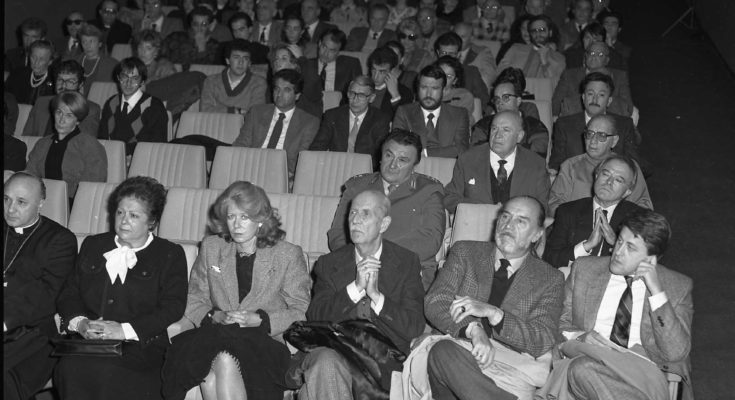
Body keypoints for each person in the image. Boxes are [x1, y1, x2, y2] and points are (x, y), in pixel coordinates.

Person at [163, 181, 311, 400]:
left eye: (245, 217)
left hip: (264, 340)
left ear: (261, 219)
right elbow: (194, 297)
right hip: (216, 333)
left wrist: (260, 319)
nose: (237, 225)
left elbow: (300, 310)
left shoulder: (287, 254)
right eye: (231, 217)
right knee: (219, 358)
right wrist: (214, 316)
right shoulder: (212, 247)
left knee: (221, 362)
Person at [415, 196, 564, 400]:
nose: (508, 225)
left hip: (508, 372)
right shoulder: (466, 252)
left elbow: (542, 338)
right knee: (443, 351)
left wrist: (495, 314)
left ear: (537, 234)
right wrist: (473, 329)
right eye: (505, 217)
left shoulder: (549, 279)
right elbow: (436, 301)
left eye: (520, 221)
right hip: (457, 356)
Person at [54, 176, 188, 400]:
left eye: (134, 215)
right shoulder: (93, 244)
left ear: (152, 222)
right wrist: (81, 323)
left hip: (141, 346)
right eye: (120, 212)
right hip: (89, 343)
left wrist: (124, 330)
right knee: (69, 369)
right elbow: (69, 293)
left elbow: (173, 306)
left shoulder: (169, 254)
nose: (124, 220)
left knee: (109, 375)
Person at [540, 209, 693, 400]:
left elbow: (676, 352)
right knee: (582, 368)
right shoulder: (585, 269)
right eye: (620, 241)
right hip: (589, 359)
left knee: (580, 369)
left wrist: (657, 292)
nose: (618, 252)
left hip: (640, 372)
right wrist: (581, 337)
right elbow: (556, 322)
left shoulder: (676, 286)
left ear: (650, 259)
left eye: (631, 248)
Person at [295, 189, 425, 399]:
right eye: (353, 213)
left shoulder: (406, 262)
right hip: (337, 355)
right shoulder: (329, 263)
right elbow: (315, 316)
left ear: (383, 224)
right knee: (325, 364)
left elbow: (413, 327)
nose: (355, 220)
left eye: (365, 213)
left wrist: (377, 297)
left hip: (386, 362)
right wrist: (355, 288)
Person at [328, 129, 445, 288]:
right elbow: (338, 234)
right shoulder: (357, 187)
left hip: (406, 271)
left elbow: (430, 240)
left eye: (402, 160)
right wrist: (361, 260)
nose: (393, 165)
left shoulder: (428, 191)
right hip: (356, 267)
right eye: (389, 156)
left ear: (414, 166)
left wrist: (377, 256)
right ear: (380, 156)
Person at [3, 172, 77, 400]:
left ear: (41, 203)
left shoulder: (60, 239)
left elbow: (45, 294)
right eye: (6, 199)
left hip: (33, 332)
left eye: (21, 202)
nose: (10, 209)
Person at [544, 152, 646, 270]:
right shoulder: (568, 211)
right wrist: (585, 246)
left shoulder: (638, 218)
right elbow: (550, 258)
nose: (608, 182)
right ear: (596, 176)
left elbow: (645, 265)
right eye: (605, 174)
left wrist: (617, 243)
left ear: (627, 191)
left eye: (618, 180)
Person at [444, 111, 550, 213]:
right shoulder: (468, 159)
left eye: (506, 130)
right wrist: (482, 209)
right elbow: (450, 198)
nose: (497, 135)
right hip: (476, 222)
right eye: (494, 129)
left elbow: (542, 208)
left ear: (519, 136)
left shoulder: (536, 164)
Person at [549, 116, 652, 214]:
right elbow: (554, 204)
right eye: (589, 134)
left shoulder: (628, 167)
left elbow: (644, 206)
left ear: (614, 141)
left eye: (601, 136)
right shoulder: (570, 166)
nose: (593, 141)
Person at [233, 68, 320, 183]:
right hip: (251, 167)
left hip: (281, 173)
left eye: (286, 90)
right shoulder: (257, 112)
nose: (279, 94)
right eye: (276, 89)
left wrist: (280, 173)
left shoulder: (309, 122)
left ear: (297, 95)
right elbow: (241, 143)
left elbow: (301, 159)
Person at [549, 72, 639, 174]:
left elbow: (633, 163)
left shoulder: (624, 125)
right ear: (583, 97)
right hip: (574, 179)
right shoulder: (564, 125)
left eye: (601, 95)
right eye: (590, 94)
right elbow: (556, 163)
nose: (594, 99)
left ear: (609, 101)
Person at [26, 92, 107, 198]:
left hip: (75, 204)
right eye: (59, 112)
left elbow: (91, 189)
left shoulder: (91, 146)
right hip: (41, 201)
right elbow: (29, 178)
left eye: (69, 115)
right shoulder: (42, 143)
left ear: (78, 120)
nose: (61, 120)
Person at [393, 64, 469, 158]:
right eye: (424, 87)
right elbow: (398, 147)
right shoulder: (404, 112)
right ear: (417, 89)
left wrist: (426, 153)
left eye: (434, 88)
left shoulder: (459, 114)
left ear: (443, 90)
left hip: (447, 166)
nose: (428, 94)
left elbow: (461, 149)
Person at [310, 75, 392, 162]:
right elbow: (317, 148)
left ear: (371, 98)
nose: (355, 100)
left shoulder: (380, 120)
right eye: (352, 93)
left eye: (361, 95)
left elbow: (380, 157)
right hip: (336, 165)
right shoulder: (332, 116)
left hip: (365, 168)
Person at [98, 57, 168, 156]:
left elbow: (157, 146)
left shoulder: (154, 107)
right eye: (124, 77)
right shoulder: (111, 103)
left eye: (135, 78)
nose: (128, 83)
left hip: (141, 160)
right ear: (118, 78)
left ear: (142, 82)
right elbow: (102, 139)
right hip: (110, 158)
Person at [473, 69, 549, 156]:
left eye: (506, 97)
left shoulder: (536, 128)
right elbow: (475, 155)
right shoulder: (483, 126)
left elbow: (536, 158)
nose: (500, 103)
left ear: (518, 101)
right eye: (497, 99)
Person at [553, 40, 632, 118]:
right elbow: (555, 106)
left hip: (610, 119)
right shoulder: (569, 75)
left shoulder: (619, 76)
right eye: (592, 53)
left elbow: (628, 108)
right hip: (576, 118)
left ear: (607, 60)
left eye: (600, 54)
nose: (594, 57)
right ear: (586, 56)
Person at [23, 60, 102, 137]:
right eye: (60, 80)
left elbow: (86, 141)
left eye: (70, 81)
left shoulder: (91, 110)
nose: (63, 85)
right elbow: (27, 137)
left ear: (80, 84)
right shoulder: (41, 103)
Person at [299, 28, 363, 118]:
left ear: (339, 52)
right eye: (324, 47)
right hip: (310, 114)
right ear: (319, 43)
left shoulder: (351, 65)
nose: (326, 53)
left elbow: (359, 93)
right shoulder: (306, 65)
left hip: (340, 115)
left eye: (332, 50)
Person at [200, 39, 267, 114]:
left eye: (245, 58)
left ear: (249, 63)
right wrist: (235, 111)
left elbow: (256, 113)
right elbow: (205, 110)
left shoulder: (258, 82)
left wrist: (219, 109)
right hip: (215, 121)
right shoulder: (211, 81)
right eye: (236, 57)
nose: (241, 62)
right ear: (227, 60)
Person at [497, 15, 566, 85]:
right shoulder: (516, 48)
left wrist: (545, 62)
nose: (538, 34)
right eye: (534, 31)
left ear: (550, 33)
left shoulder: (559, 58)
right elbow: (500, 73)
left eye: (542, 30)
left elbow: (556, 84)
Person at [432, 32, 491, 111]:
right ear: (438, 53)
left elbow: (484, 101)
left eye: (451, 54)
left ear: (458, 54)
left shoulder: (471, 72)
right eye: (443, 53)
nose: (447, 57)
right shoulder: (429, 73)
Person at [367, 46, 414, 118]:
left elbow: (405, 120)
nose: (375, 76)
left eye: (382, 72)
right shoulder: (361, 85)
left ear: (391, 71)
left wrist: (395, 96)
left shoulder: (404, 92)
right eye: (374, 70)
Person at [5, 40, 56, 105]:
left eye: (41, 59)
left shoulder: (54, 81)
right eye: (33, 57)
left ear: (50, 61)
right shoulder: (17, 74)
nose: (36, 62)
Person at [74, 24, 119, 97]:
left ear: (100, 44)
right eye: (84, 42)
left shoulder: (112, 64)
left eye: (91, 41)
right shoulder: (74, 62)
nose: (88, 46)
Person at [562, 21, 627, 71]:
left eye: (595, 39)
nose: (591, 42)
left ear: (603, 42)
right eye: (587, 38)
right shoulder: (571, 56)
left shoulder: (614, 57)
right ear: (582, 40)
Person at [435, 55, 475, 125]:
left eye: (448, 76)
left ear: (455, 80)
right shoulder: (425, 93)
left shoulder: (463, 96)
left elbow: (460, 121)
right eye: (440, 73)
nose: (443, 78)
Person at [396, 19, 434, 87]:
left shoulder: (424, 56)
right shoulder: (394, 52)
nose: (406, 40)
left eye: (411, 37)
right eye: (403, 36)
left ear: (417, 39)